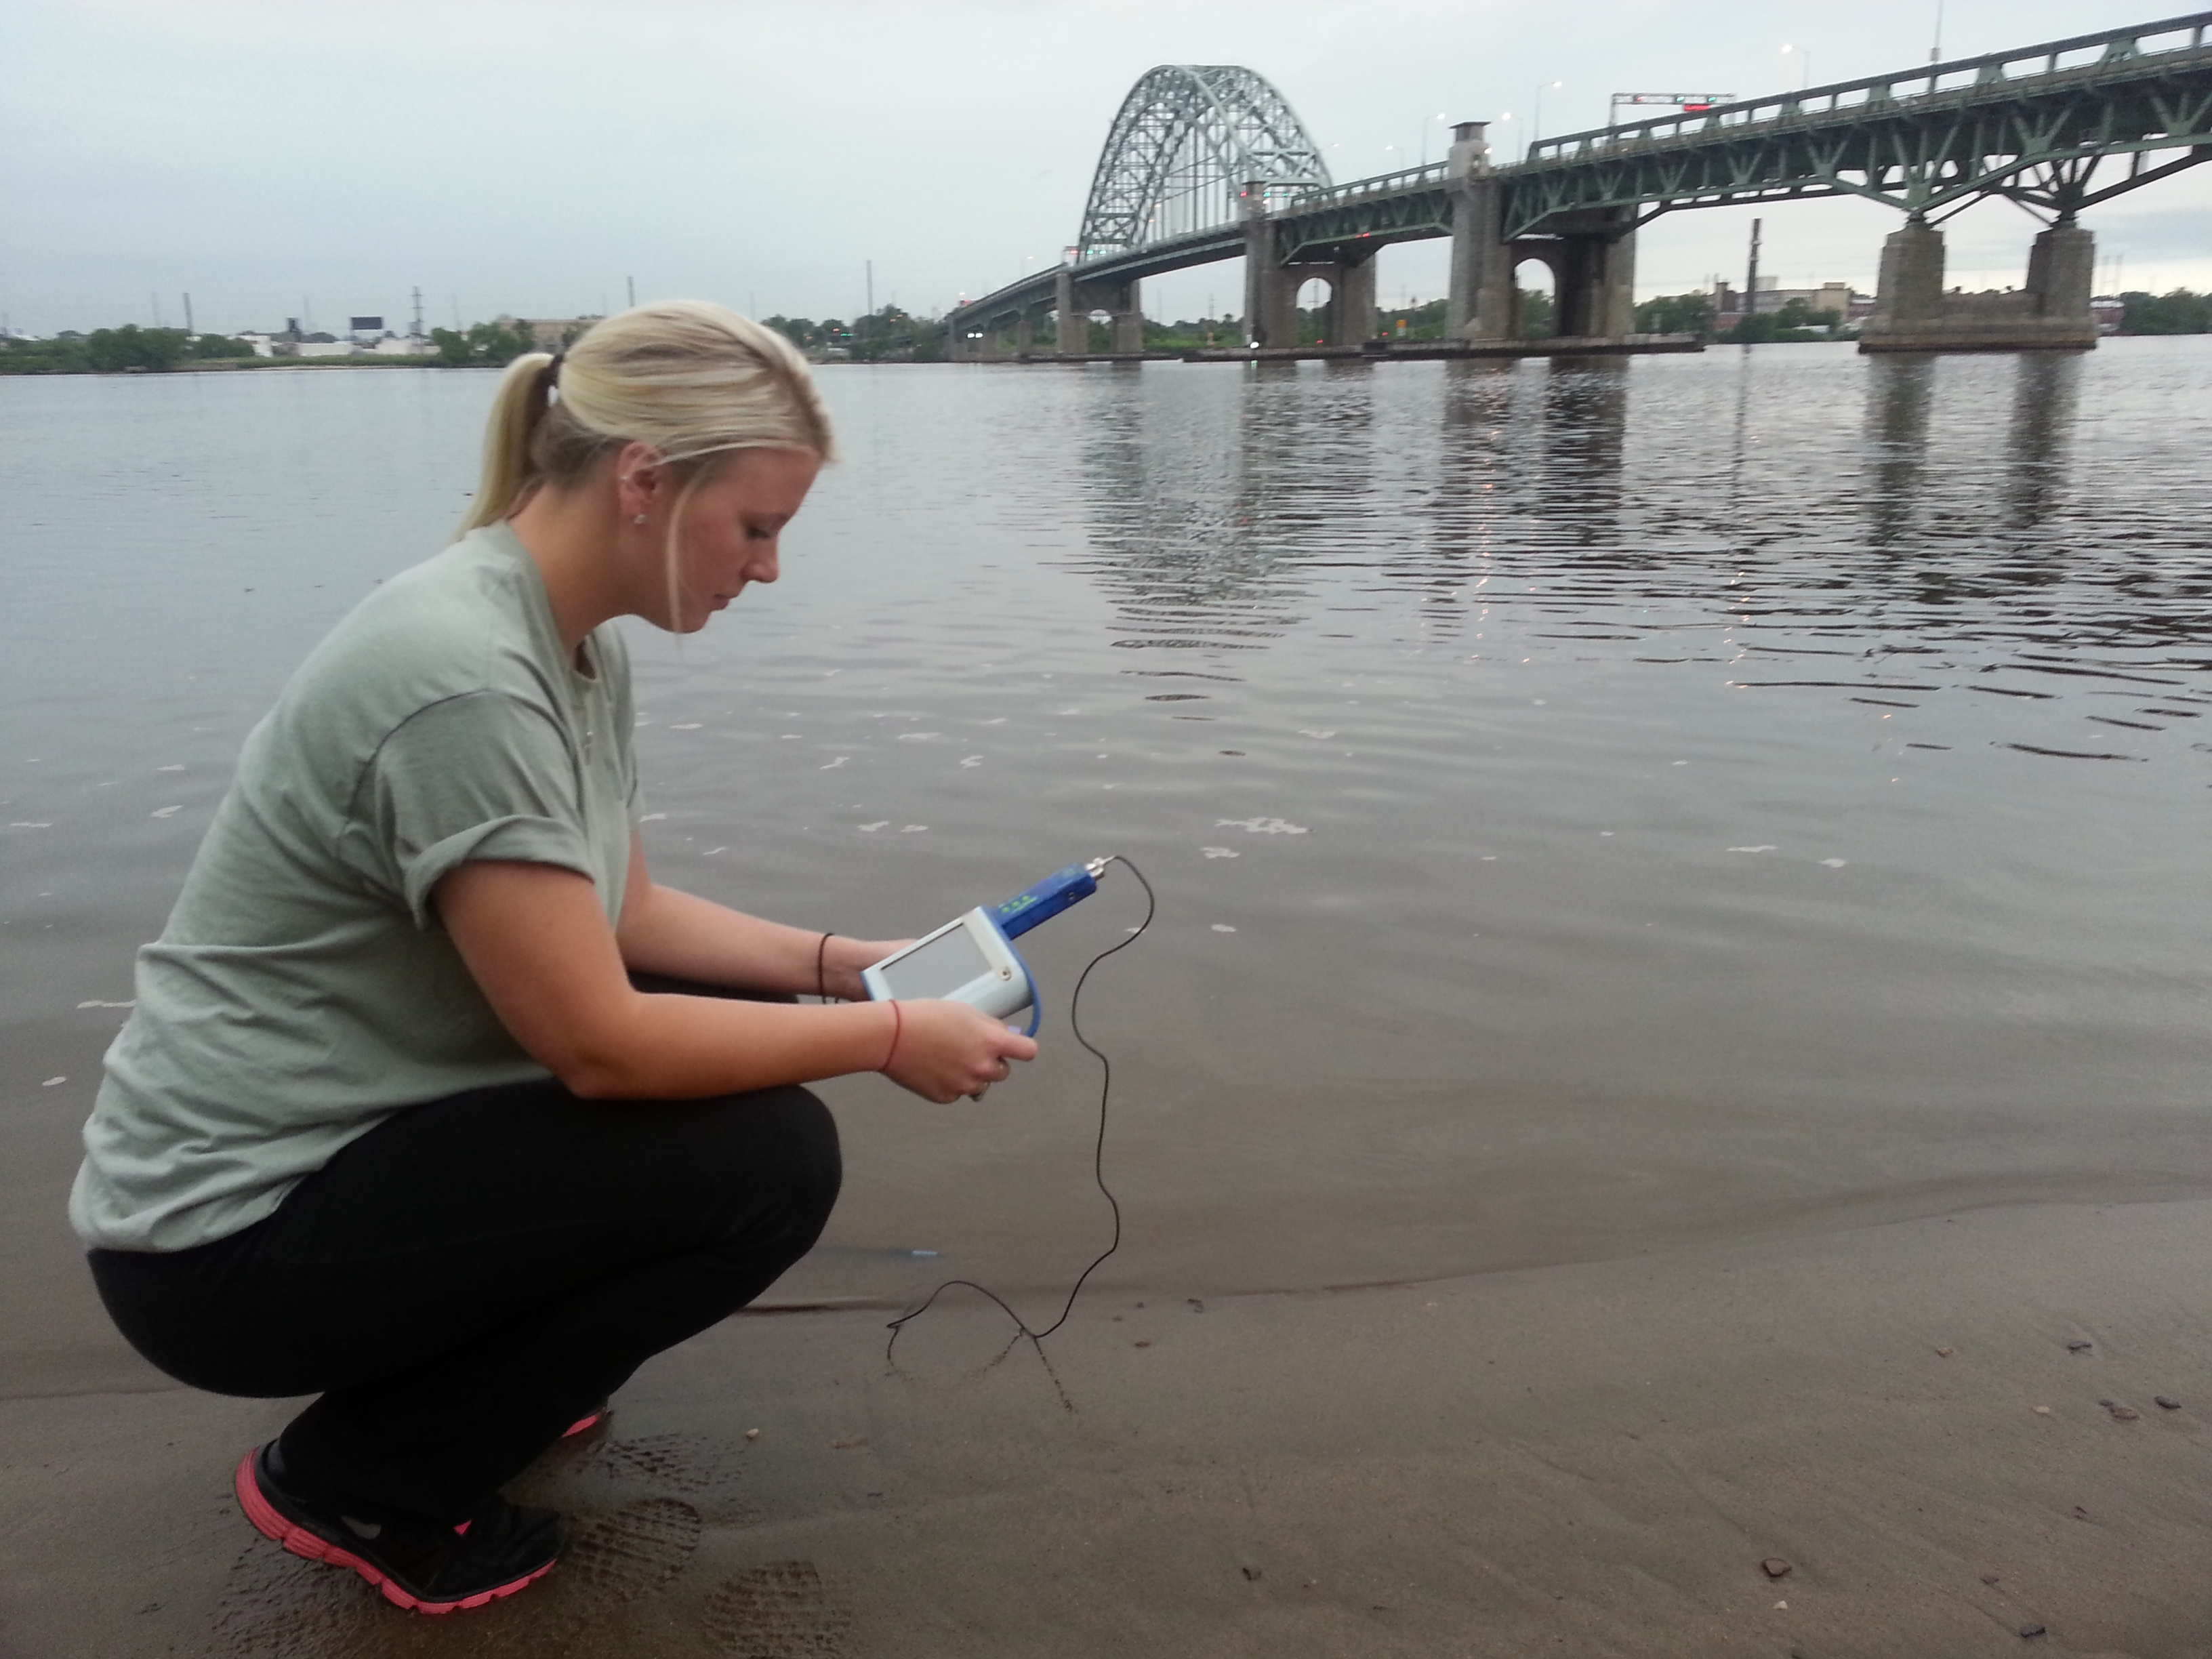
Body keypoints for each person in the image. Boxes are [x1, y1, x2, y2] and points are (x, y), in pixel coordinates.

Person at [67, 301, 1036, 1615]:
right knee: (773, 1161)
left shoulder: (563, 642)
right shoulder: (464, 676)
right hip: (218, 1246)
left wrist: (843, 964)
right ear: (644, 480)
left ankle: (490, 1380)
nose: (768, 569)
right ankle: (363, 1480)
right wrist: (889, 1035)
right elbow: (599, 1044)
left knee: (725, 1029)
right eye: (757, 527)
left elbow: (627, 919)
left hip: (332, 1158)